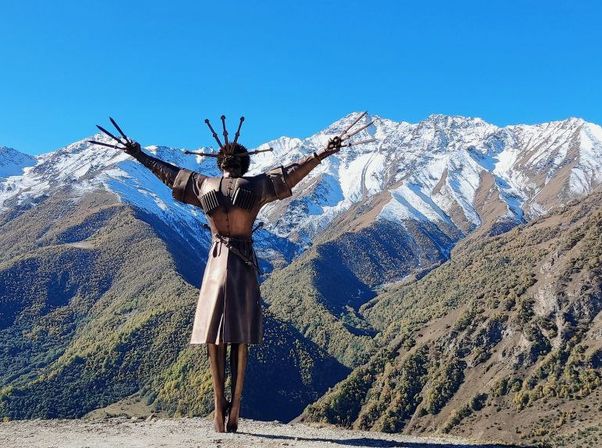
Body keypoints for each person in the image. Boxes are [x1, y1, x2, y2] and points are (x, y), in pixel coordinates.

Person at [104, 116, 343, 433]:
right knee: (240, 337)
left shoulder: (203, 185)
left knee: (214, 336)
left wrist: (139, 154)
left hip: (217, 261)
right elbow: (293, 174)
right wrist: (322, 153)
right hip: (243, 263)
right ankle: (236, 407)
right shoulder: (256, 186)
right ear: (244, 164)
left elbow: (168, 174)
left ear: (220, 164)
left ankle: (219, 407)